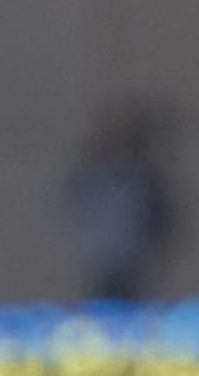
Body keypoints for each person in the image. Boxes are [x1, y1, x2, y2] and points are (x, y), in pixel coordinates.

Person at [62, 102, 176, 305]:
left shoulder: (144, 178)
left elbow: (160, 217)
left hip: (132, 262)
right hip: (101, 260)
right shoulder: (93, 177)